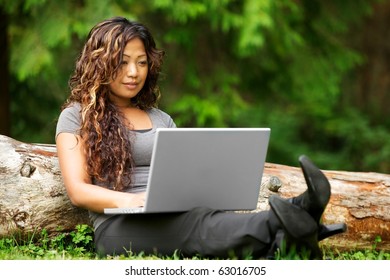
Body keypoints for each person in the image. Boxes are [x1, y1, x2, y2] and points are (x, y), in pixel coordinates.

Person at [55, 16, 344, 259]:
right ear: (100, 63)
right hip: (119, 226)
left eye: (142, 63)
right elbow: (78, 191)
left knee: (201, 218)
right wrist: (133, 202)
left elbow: (184, 176)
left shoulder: (161, 119)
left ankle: (294, 234)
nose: (133, 72)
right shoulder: (76, 115)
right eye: (122, 62)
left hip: (179, 215)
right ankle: (298, 216)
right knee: (197, 223)